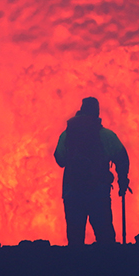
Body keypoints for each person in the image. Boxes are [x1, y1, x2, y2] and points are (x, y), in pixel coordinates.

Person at [53, 97, 130, 245]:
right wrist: (122, 180)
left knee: (75, 238)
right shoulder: (106, 135)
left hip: (72, 192)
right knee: (104, 235)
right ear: (97, 113)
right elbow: (122, 158)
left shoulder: (67, 135)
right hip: (98, 192)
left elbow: (59, 159)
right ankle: (106, 265)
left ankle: (76, 266)